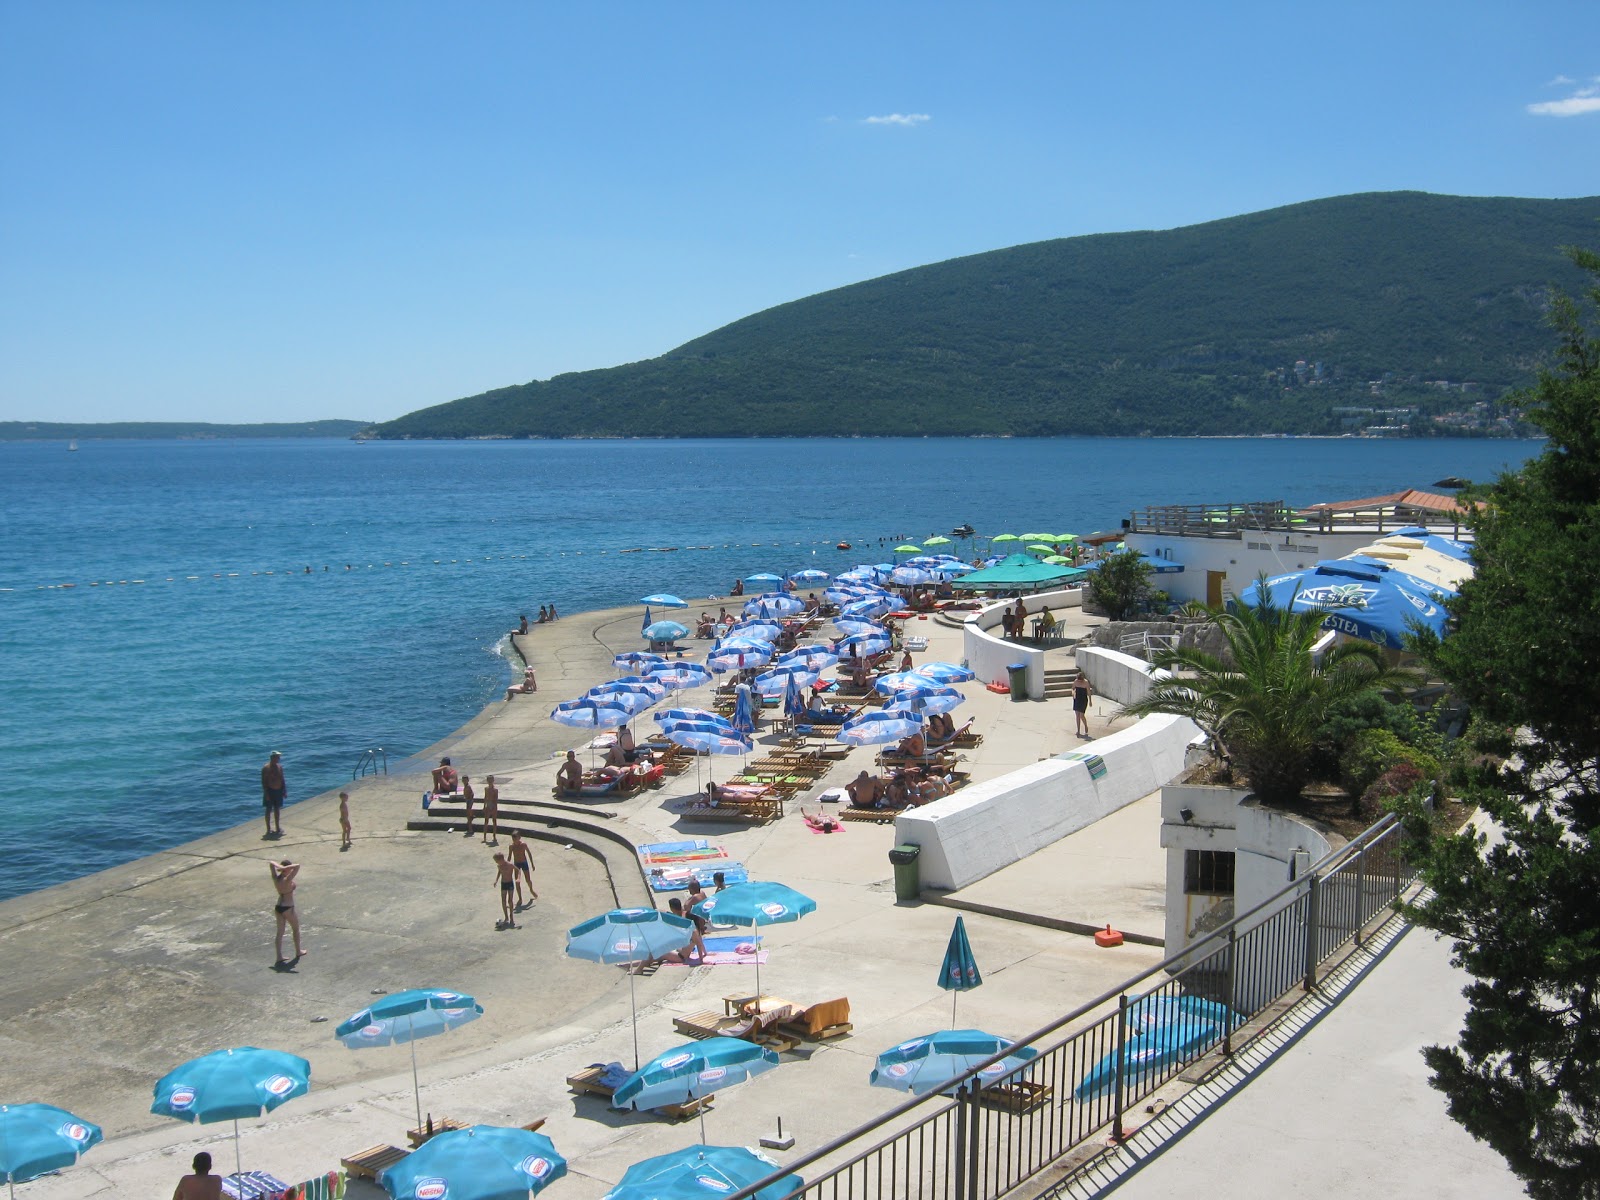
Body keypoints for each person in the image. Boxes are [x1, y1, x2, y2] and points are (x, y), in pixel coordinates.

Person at [269, 859, 303, 963]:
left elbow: (271, 863)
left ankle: (279, 956)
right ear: (287, 869)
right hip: (288, 907)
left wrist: (280, 867)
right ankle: (298, 951)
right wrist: (284, 868)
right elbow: (298, 866)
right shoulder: (287, 879)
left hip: (278, 907)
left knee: (280, 933)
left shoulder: (276, 878)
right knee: (295, 929)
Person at [667, 897, 708, 961]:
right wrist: (705, 953)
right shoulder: (694, 928)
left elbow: (698, 943)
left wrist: (701, 960)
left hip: (682, 956)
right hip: (684, 949)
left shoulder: (692, 930)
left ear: (672, 908)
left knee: (662, 954)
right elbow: (700, 941)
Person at [508, 830, 538, 906]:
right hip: (516, 864)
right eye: (513, 839)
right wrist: (507, 866)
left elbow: (529, 854)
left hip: (524, 862)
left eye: (516, 839)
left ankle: (531, 889)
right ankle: (520, 898)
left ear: (519, 838)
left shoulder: (523, 845)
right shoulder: (511, 846)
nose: (514, 840)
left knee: (528, 879)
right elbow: (509, 856)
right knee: (517, 882)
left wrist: (532, 864)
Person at [260, 751, 286, 836]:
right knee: (268, 810)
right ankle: (268, 829)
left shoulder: (279, 767)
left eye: (279, 757)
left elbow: (282, 779)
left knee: (277, 809)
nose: (279, 759)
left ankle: (278, 828)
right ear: (272, 757)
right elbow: (264, 782)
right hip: (270, 791)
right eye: (277, 757)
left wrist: (284, 790)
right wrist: (266, 794)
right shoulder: (266, 768)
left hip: (278, 791)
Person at [492, 852, 517, 928]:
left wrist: (518, 878)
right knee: (503, 900)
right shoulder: (499, 866)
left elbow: (518, 870)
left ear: (501, 859)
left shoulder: (510, 865)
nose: (496, 862)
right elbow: (500, 871)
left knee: (510, 901)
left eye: (497, 861)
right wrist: (496, 880)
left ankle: (511, 917)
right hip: (503, 884)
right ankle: (506, 917)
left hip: (510, 883)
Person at [1073, 672, 1094, 738]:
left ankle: (1085, 726)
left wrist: (1090, 701)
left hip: (1083, 700)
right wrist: (1073, 693)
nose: (1079, 681)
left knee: (1081, 715)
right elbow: (1073, 688)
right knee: (1077, 715)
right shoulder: (1075, 681)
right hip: (1077, 699)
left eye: (1080, 680)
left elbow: (1088, 692)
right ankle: (1078, 730)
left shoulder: (1086, 682)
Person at [482, 774, 499, 843]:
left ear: (493, 780)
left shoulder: (495, 790)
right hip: (488, 805)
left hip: (493, 805)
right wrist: (484, 806)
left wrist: (494, 808)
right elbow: (485, 797)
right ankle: (484, 837)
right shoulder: (486, 789)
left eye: (491, 780)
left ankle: (494, 836)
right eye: (488, 780)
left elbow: (496, 800)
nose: (490, 781)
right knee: (486, 821)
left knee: (494, 821)